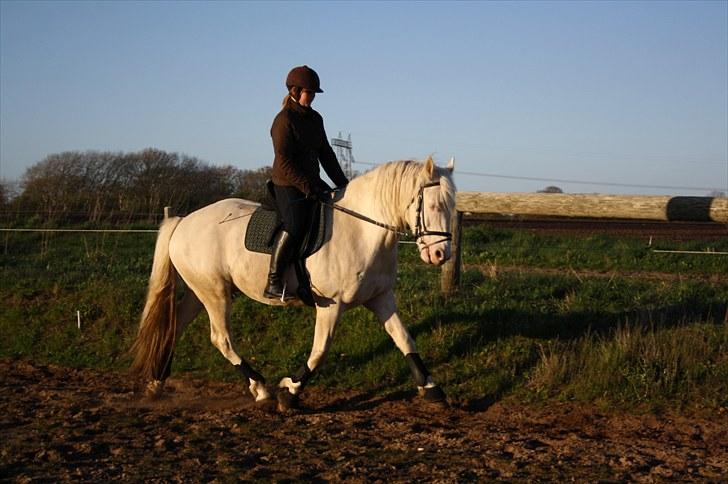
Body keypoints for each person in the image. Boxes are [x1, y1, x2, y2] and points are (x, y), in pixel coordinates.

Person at [264, 65, 349, 300]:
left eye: (313, 94)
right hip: (287, 184)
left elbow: (326, 154)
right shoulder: (283, 121)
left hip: (311, 183)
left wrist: (344, 184)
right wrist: (308, 186)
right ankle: (273, 281)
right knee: (295, 224)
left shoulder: (315, 119)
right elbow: (284, 161)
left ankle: (309, 281)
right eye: (308, 93)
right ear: (294, 90)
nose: (311, 97)